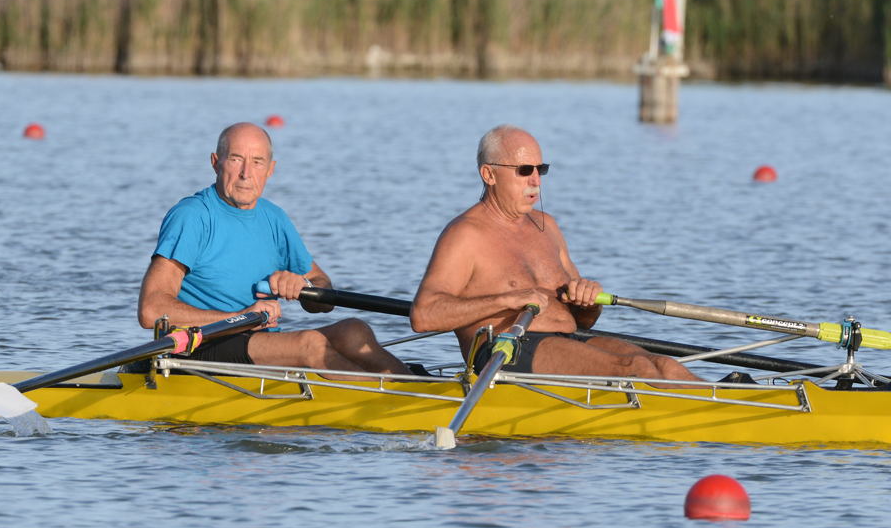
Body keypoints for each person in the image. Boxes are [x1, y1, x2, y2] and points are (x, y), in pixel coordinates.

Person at [410, 124, 701, 382]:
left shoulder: (546, 226)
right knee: (635, 368)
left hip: (568, 338)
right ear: (489, 174)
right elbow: (424, 316)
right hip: (506, 350)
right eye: (524, 171)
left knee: (664, 366)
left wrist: (588, 302)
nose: (536, 180)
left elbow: (583, 321)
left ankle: (733, 415)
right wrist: (507, 300)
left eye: (541, 169)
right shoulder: (464, 235)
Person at [138, 122, 409, 377]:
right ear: (215, 163)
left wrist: (303, 286)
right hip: (199, 345)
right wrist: (238, 318)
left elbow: (323, 293)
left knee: (354, 330)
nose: (246, 173)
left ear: (270, 169)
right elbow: (151, 310)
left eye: (257, 162)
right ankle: (389, 406)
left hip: (256, 342)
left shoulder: (274, 218)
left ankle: (424, 393)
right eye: (235, 159)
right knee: (310, 343)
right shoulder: (192, 216)